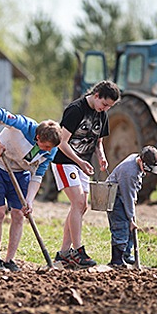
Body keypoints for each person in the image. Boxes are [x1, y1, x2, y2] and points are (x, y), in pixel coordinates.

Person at [51, 80, 121, 269]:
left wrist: (101, 157)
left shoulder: (102, 114)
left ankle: (64, 254)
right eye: (104, 104)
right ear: (96, 95)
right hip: (65, 162)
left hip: (83, 164)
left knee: (82, 207)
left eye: (109, 107)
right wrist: (80, 161)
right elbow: (62, 142)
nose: (105, 109)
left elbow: (97, 142)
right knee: (78, 203)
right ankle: (78, 250)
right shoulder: (75, 110)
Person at [0, 107, 62, 272]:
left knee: (19, 214)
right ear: (38, 137)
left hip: (20, 173)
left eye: (51, 148)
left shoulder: (51, 150)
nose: (48, 151)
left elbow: (37, 176)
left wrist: (29, 200)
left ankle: (10, 260)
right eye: (46, 146)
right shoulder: (21, 124)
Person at [106, 145, 157, 266]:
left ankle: (126, 255)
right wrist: (131, 218)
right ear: (140, 160)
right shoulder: (129, 172)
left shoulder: (137, 161)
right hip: (114, 197)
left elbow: (131, 193)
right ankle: (117, 260)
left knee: (130, 229)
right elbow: (128, 197)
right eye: (145, 169)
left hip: (123, 195)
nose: (146, 172)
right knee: (122, 227)